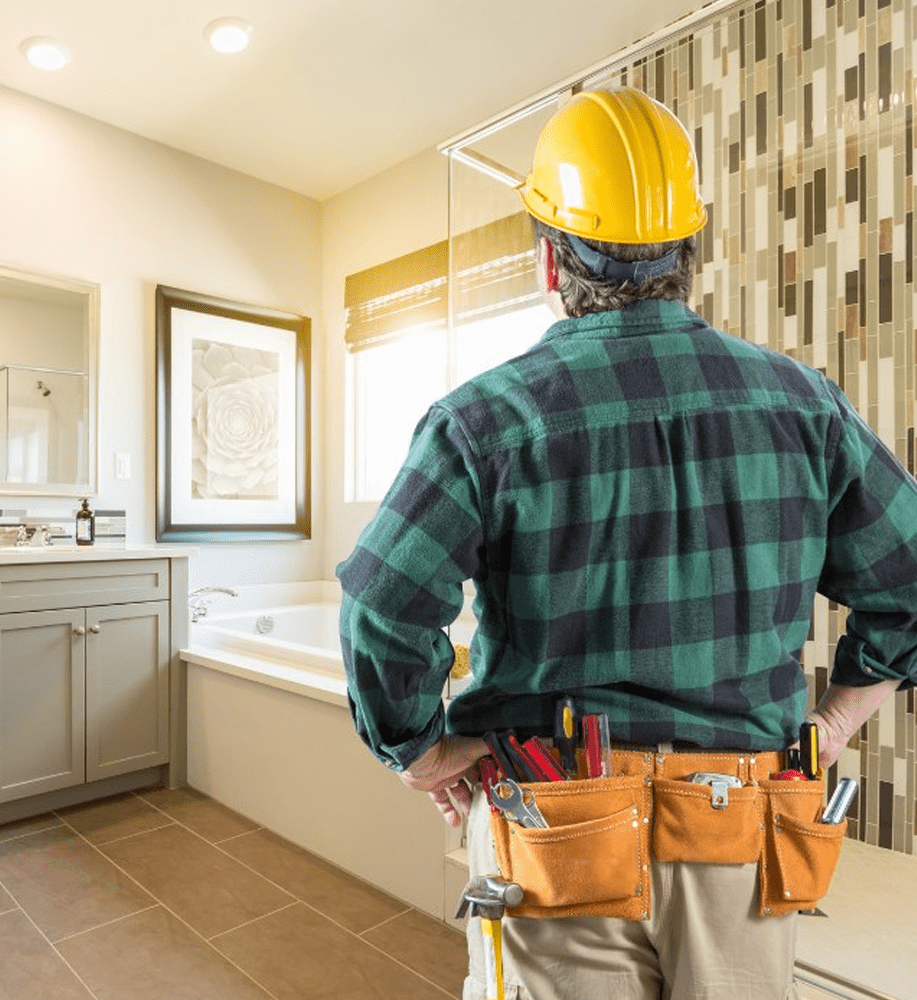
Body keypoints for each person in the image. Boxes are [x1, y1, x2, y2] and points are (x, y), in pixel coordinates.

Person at [337, 86, 917, 1000]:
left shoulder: (482, 421)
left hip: (555, 827)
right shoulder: (805, 406)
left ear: (548, 261)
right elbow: (910, 586)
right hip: (746, 830)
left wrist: (420, 749)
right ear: (689, 253)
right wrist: (836, 721)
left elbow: (382, 604)